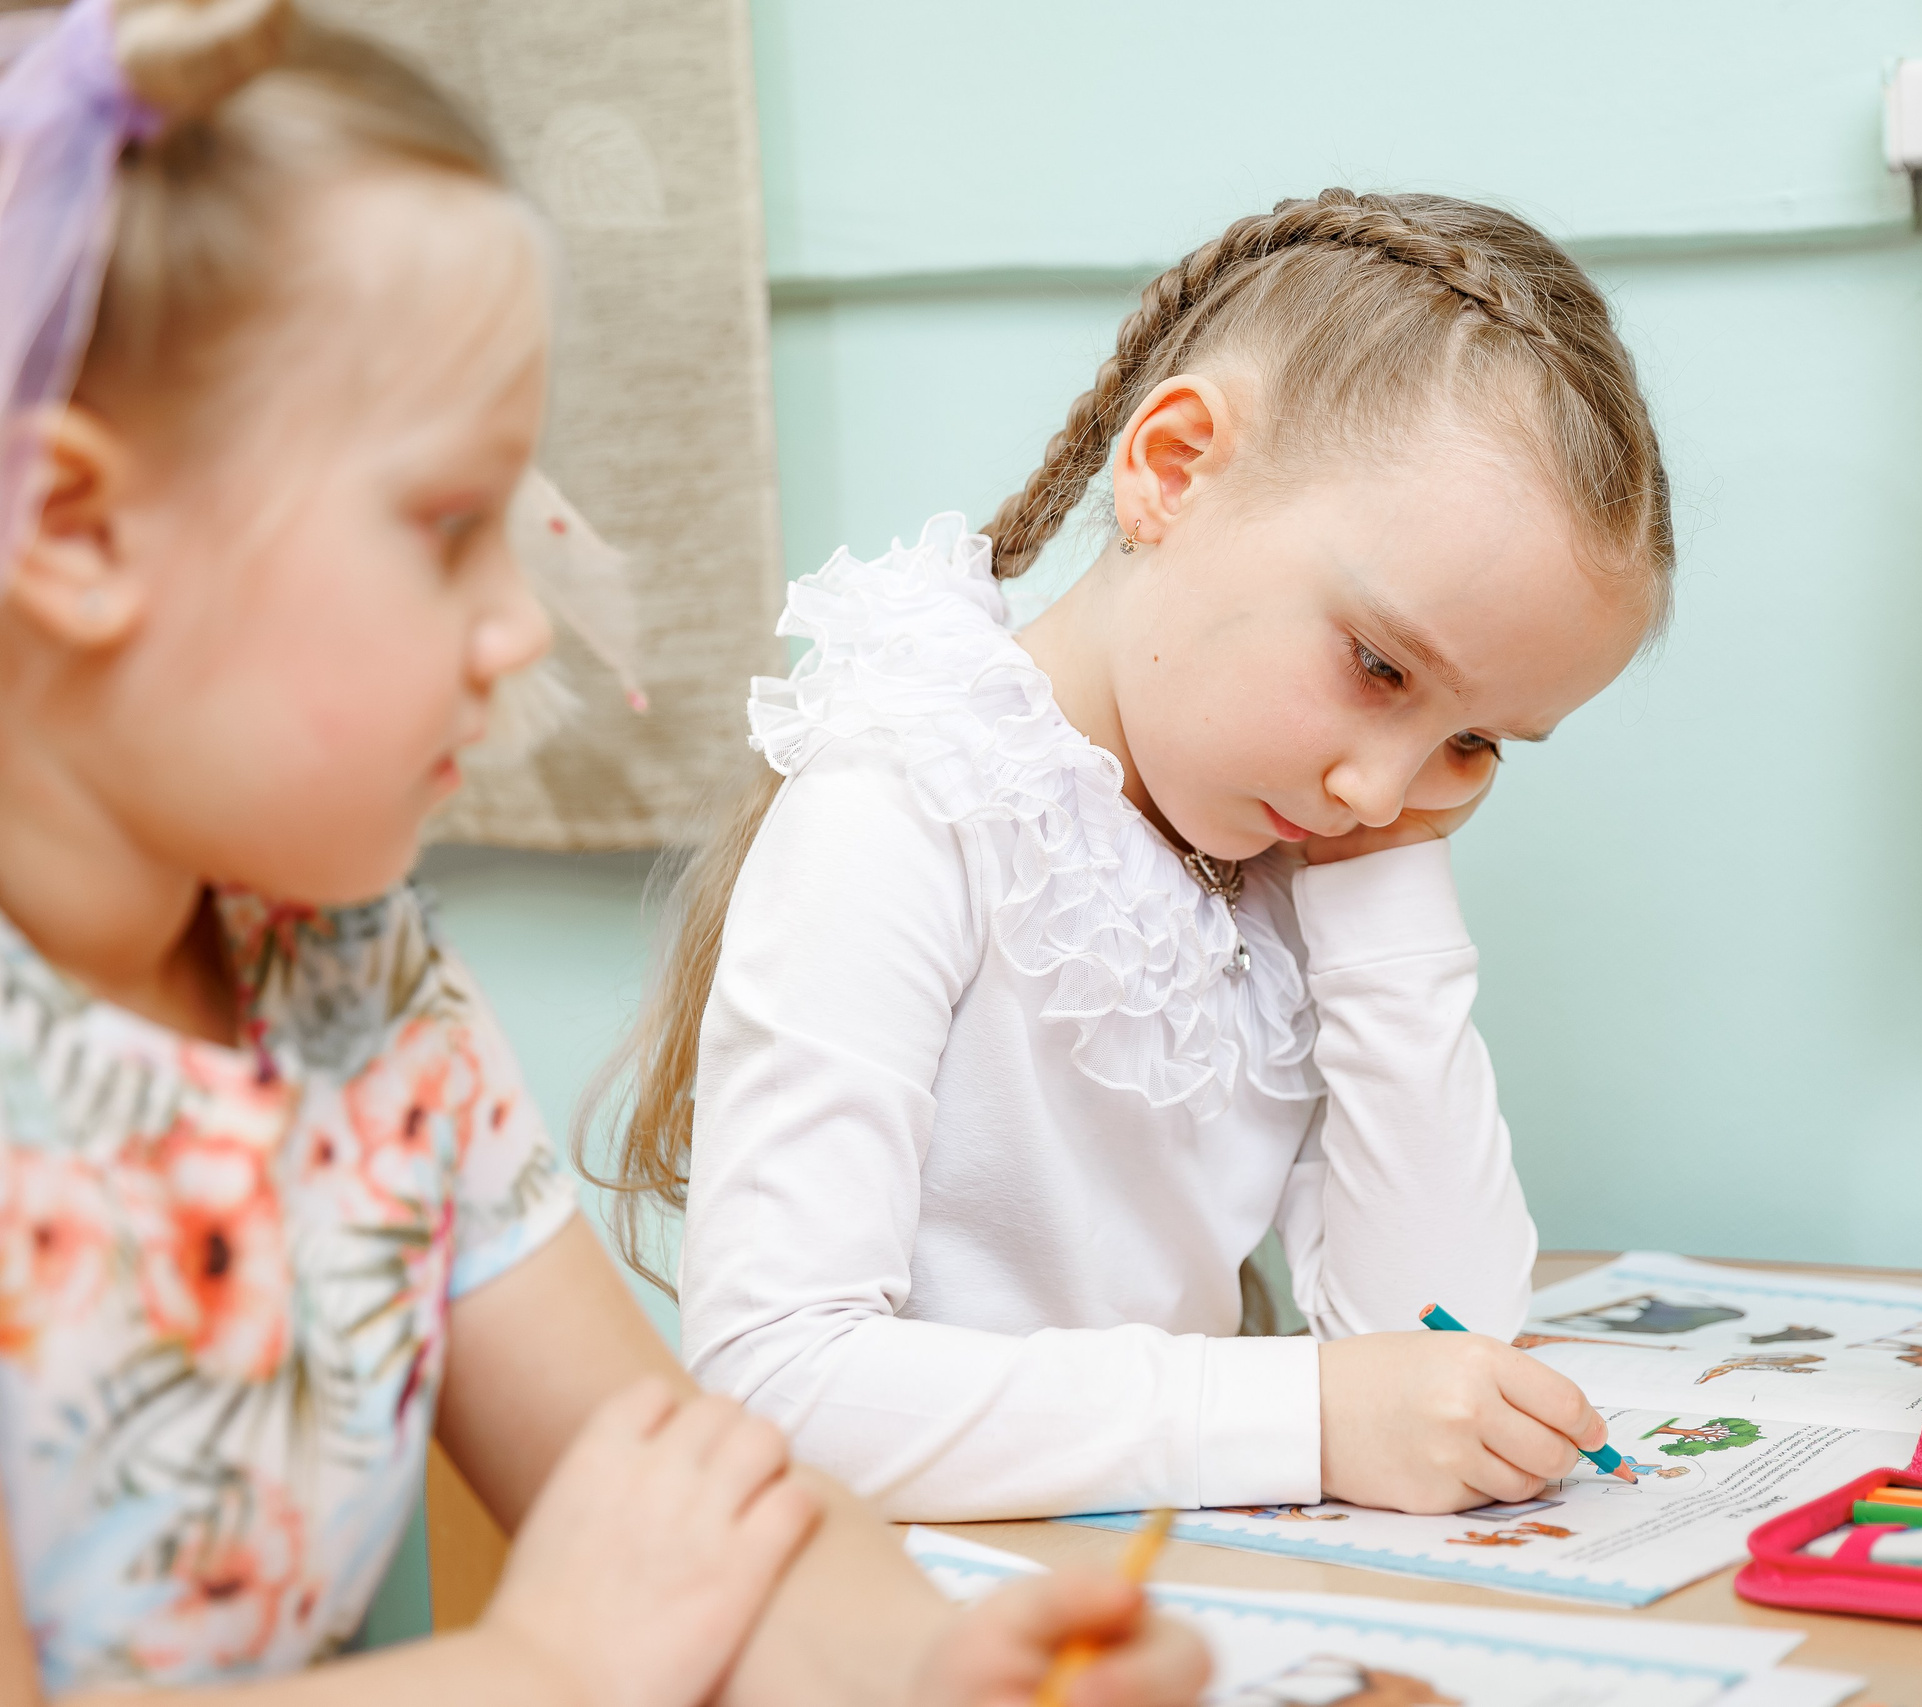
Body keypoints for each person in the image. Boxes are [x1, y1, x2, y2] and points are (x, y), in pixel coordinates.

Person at [0, 3, 1208, 1701]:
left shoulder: (363, 986)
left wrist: (938, 1667)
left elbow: (679, 1496)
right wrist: (552, 1665)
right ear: (75, 530)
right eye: (446, 526)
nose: (518, 628)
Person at [597, 187, 1676, 1521]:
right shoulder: (904, 805)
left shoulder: (1287, 837)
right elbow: (779, 1391)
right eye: (1381, 667)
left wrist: (1380, 893)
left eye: (1478, 743)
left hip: (1162, 1586)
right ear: (1170, 470)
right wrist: (1311, 1417)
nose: (1379, 787)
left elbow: (1438, 1330)